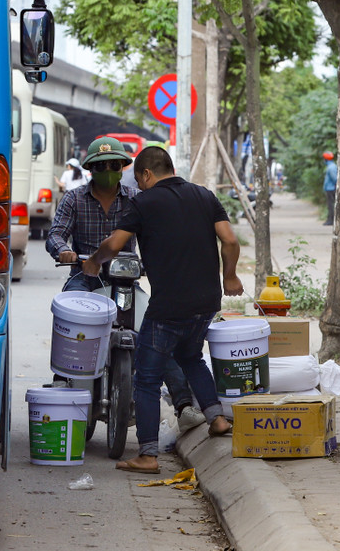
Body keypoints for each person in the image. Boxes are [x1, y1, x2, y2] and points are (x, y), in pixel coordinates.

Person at [83, 146, 244, 474]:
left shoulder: (143, 202)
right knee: (190, 357)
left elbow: (114, 245)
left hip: (169, 306)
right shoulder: (204, 195)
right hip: (207, 301)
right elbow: (229, 240)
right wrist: (230, 275)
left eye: (139, 180)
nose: (140, 187)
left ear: (145, 174)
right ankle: (217, 419)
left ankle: (148, 454)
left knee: (147, 378)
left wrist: (92, 263)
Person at [46, 138, 205, 432]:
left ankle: (183, 406)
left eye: (114, 165)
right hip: (86, 276)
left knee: (157, 332)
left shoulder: (137, 198)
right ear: (91, 169)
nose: (108, 170)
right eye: (101, 166)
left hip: (127, 280)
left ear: (123, 167)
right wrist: (64, 251)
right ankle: (65, 381)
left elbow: (161, 234)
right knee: (68, 319)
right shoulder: (74, 199)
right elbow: (55, 234)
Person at [323, 151, 337, 226]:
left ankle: (331, 220)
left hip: (331, 189)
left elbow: (335, 179)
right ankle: (330, 219)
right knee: (330, 205)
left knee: (331, 205)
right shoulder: (331, 166)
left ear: (325, 159)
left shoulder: (331, 167)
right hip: (329, 189)